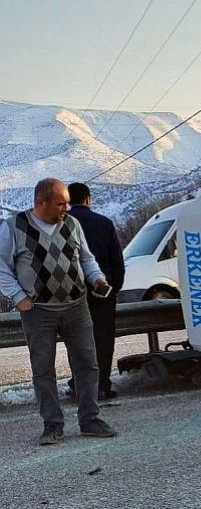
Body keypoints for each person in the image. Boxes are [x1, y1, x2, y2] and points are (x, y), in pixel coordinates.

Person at [0, 178, 118, 445]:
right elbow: (1, 267)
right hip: (38, 310)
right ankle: (52, 424)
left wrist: (97, 279)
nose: (66, 208)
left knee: (88, 364)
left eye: (66, 203)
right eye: (60, 204)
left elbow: (86, 258)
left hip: (77, 306)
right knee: (43, 369)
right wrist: (19, 297)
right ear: (40, 202)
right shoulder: (14, 227)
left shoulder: (72, 224)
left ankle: (90, 418)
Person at [67, 182, 126, 400]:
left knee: (77, 340)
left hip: (72, 293)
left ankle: (79, 386)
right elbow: (117, 262)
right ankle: (102, 385)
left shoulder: (62, 225)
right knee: (103, 339)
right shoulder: (104, 223)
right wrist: (114, 288)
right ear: (88, 199)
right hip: (103, 291)